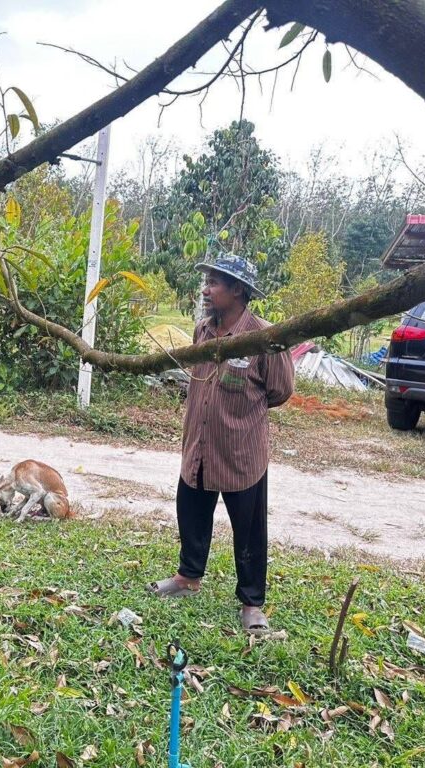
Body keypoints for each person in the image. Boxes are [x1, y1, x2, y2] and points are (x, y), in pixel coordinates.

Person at [149, 250, 294, 634]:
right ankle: (188, 577)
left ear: (237, 290)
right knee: (191, 511)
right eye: (207, 282)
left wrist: (240, 412)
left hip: (240, 451)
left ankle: (251, 602)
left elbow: (280, 390)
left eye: (213, 283)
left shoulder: (264, 338)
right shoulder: (202, 331)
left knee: (249, 530)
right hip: (199, 445)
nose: (205, 290)